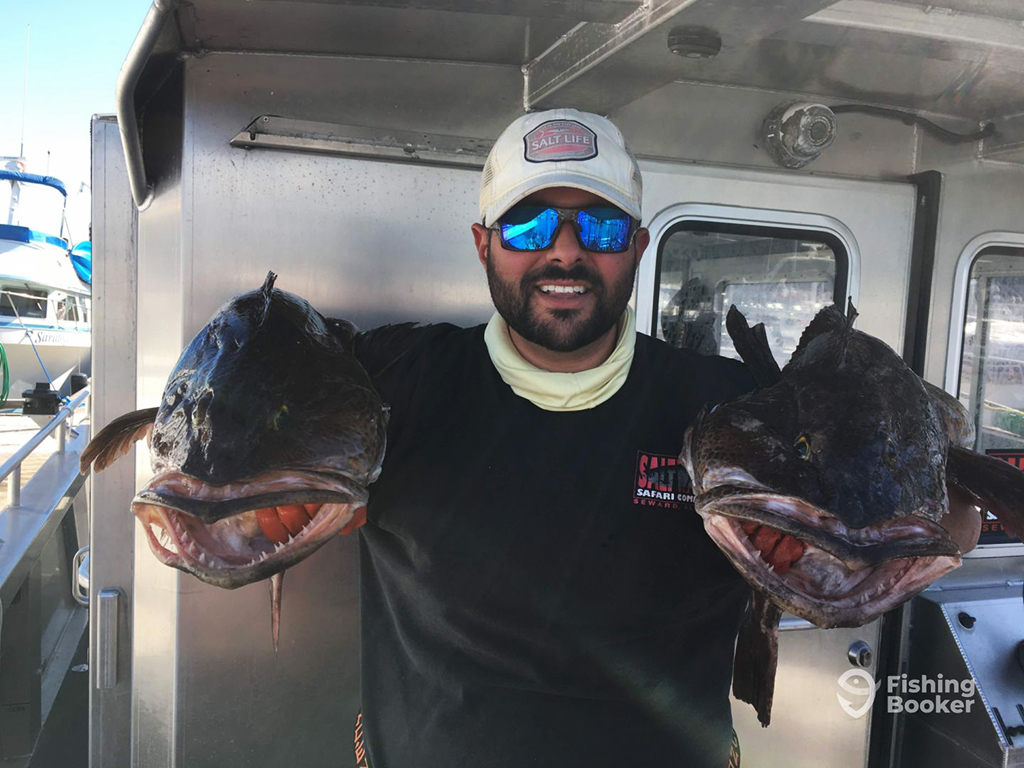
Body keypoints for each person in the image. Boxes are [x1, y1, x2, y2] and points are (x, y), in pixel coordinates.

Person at [352, 108, 755, 768]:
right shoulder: (391, 382)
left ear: (639, 247)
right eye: (529, 224)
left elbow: (898, 525)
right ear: (483, 244)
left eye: (599, 225)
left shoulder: (731, 408)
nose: (565, 250)